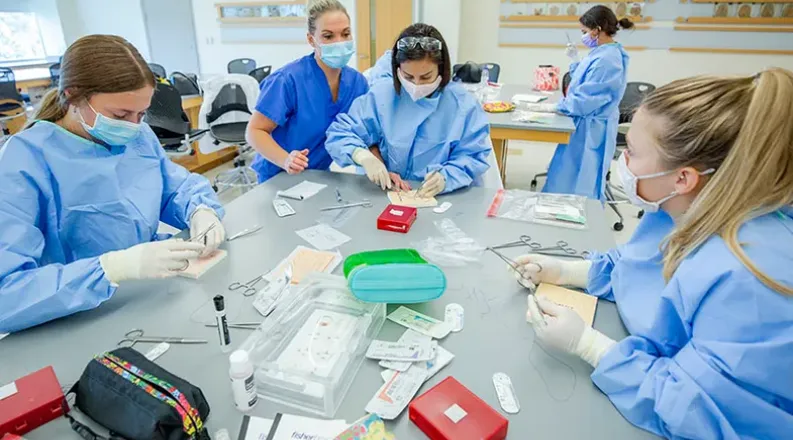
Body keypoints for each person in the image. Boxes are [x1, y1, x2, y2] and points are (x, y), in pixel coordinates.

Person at [517, 69, 793, 438]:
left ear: (683, 177)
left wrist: (590, 346)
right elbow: (644, 266)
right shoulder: (684, 204)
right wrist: (567, 272)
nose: (622, 163)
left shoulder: (750, 276)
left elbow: (701, 411)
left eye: (631, 152)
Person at [0, 35, 225, 333]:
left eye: (141, 114)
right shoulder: (24, 159)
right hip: (69, 318)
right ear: (73, 96)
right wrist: (112, 268)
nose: (133, 125)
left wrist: (199, 210)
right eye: (120, 115)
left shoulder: (138, 136)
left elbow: (173, 188)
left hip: (146, 295)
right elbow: (7, 294)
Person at [325, 23, 490, 197]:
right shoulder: (381, 96)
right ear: (397, 69)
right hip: (386, 193)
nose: (416, 85)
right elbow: (341, 133)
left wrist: (446, 177)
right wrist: (364, 157)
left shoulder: (463, 106)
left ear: (442, 69)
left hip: (442, 197)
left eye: (426, 77)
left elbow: (472, 154)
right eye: (408, 76)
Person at [246, 0, 368, 183]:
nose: (339, 42)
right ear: (311, 40)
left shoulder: (357, 83)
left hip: (319, 174)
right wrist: (286, 159)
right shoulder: (288, 80)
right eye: (328, 36)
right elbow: (255, 131)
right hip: (278, 175)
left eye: (345, 34)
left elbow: (366, 130)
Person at [528, 5, 632, 201]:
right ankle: (556, 209)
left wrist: (555, 107)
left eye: (584, 32)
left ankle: (574, 215)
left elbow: (586, 100)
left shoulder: (608, 60)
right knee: (565, 177)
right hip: (584, 124)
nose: (582, 36)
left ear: (597, 30)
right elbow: (584, 81)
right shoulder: (602, 52)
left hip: (592, 130)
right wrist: (575, 60)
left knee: (581, 183)